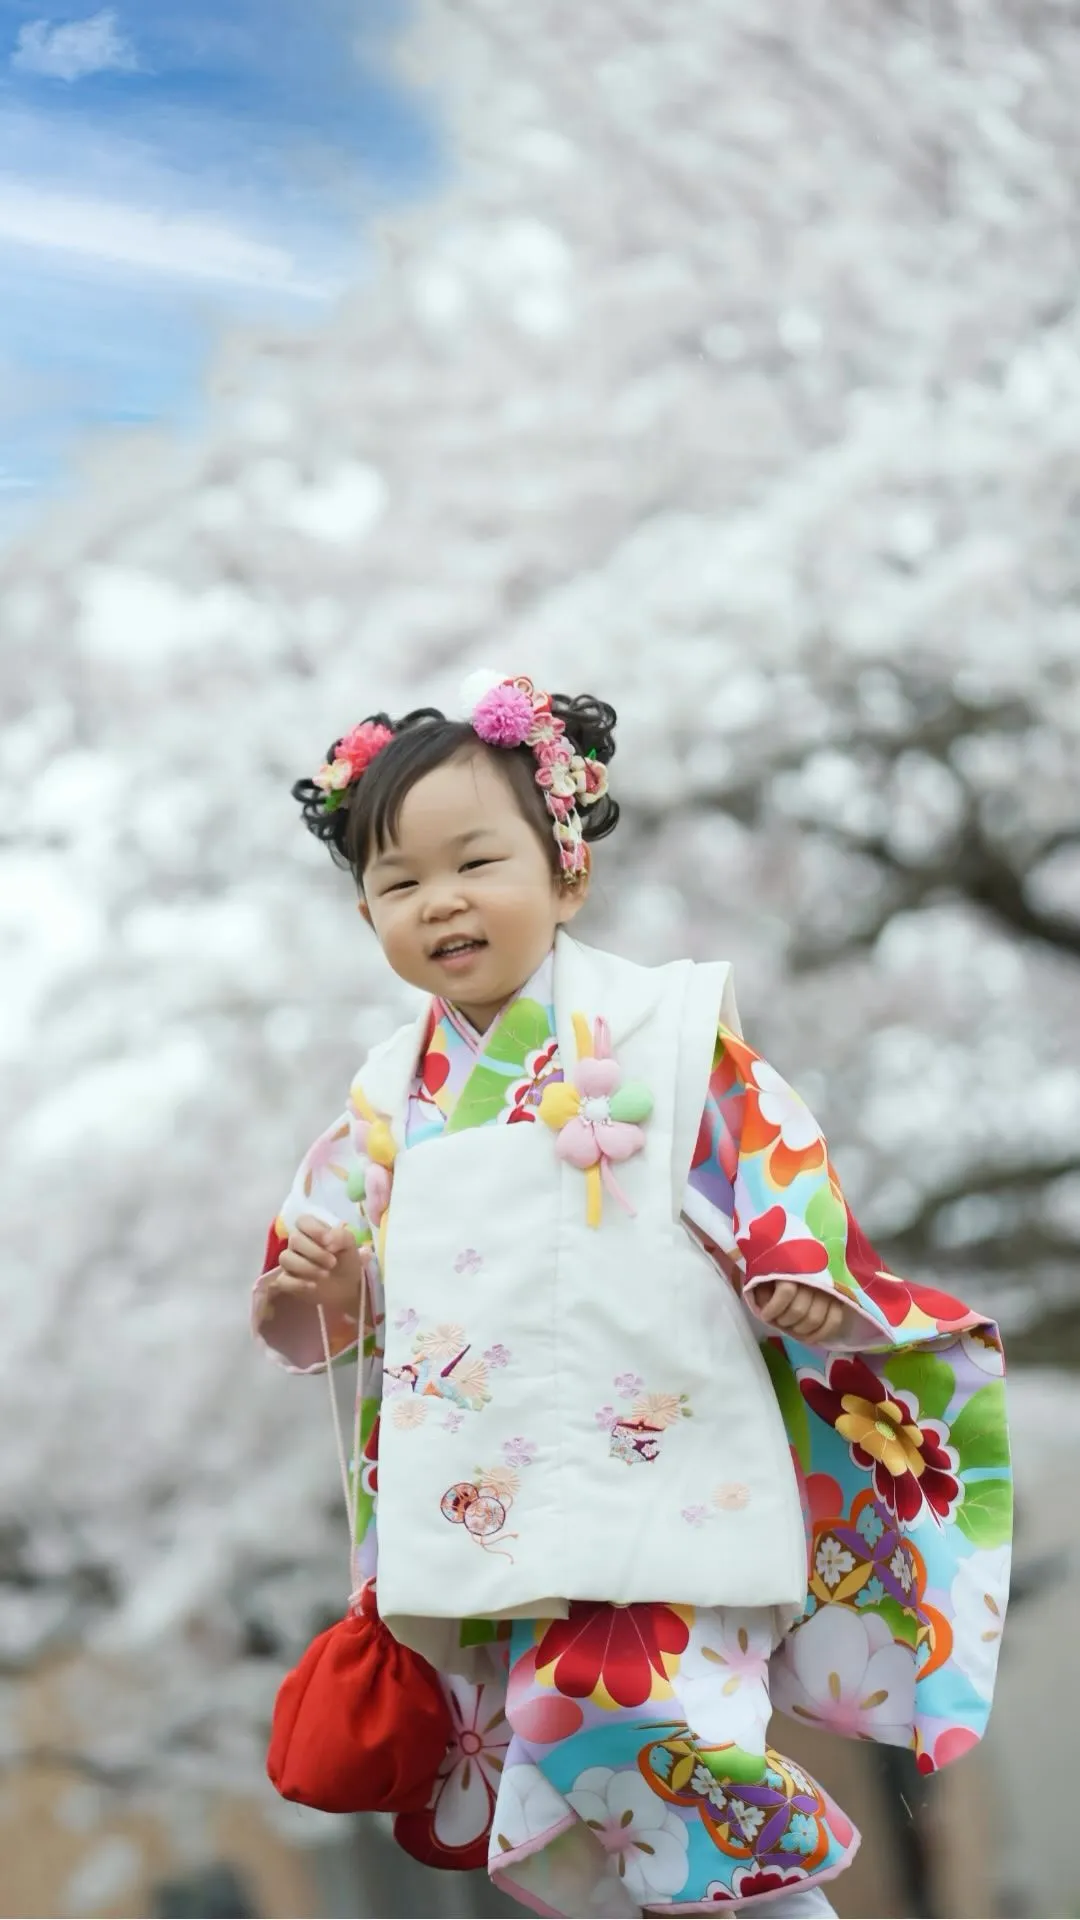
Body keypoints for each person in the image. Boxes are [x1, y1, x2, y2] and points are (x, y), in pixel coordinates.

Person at [253, 673, 1012, 1920]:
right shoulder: (388, 1099)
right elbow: (315, 1308)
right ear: (366, 912)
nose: (439, 900)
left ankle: (782, 1903)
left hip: (665, 1463)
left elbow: (770, 1153)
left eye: (474, 861)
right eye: (397, 882)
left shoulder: (662, 1027)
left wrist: (798, 1270)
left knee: (613, 1706)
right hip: (485, 1496)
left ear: (566, 871)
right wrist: (338, 1284)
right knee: (551, 1779)